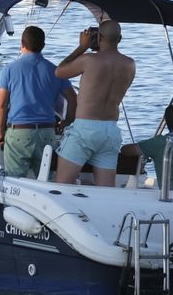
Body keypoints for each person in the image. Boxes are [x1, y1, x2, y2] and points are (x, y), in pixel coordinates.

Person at [54, 21, 136, 186]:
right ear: (119, 38)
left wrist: (81, 47)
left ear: (98, 37)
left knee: (62, 185)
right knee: (106, 190)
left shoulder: (89, 60)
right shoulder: (130, 64)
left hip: (85, 129)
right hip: (110, 131)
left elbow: (59, 72)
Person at [0, 25, 79, 178]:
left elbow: (1, 105)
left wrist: (0, 132)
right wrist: (67, 121)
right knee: (46, 180)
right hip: (47, 133)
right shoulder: (55, 70)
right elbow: (73, 98)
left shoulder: (9, 70)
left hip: (19, 133)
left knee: (15, 183)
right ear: (43, 46)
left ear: (21, 44)